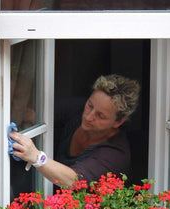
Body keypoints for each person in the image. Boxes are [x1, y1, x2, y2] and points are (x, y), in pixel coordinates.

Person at [9, 74, 140, 188]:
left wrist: (36, 157)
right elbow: (34, 115)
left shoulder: (115, 154)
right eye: (90, 105)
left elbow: (74, 181)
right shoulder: (77, 109)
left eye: (100, 116)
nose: (88, 117)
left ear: (118, 122)